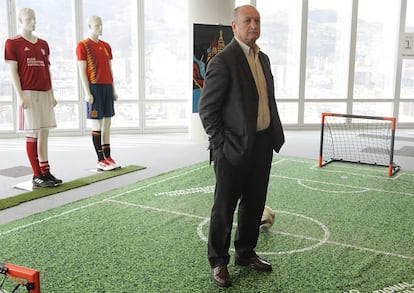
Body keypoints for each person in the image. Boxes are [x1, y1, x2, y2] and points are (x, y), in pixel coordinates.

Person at [198, 5, 285, 287]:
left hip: (261, 144)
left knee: (254, 202)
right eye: (247, 21)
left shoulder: (264, 59)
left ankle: (245, 253)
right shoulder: (223, 62)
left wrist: (271, 134)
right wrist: (221, 145)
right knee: (224, 208)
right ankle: (218, 262)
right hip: (231, 149)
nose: (253, 25)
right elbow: (208, 110)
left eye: (257, 20)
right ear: (234, 26)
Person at [5, 7, 62, 189]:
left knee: (44, 132)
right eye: (29, 19)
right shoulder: (12, 43)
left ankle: (46, 171)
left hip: (44, 92)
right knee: (32, 134)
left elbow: (47, 70)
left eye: (34, 19)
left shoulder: (43, 44)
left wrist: (52, 94)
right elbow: (13, 72)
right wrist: (20, 95)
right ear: (21, 21)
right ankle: (36, 174)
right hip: (28, 93)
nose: (33, 22)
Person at [76, 15, 119, 171]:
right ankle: (99, 159)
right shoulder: (83, 45)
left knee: (108, 123)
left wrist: (113, 89)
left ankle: (108, 156)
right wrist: (87, 92)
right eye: (96, 25)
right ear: (90, 26)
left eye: (101, 25)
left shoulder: (106, 46)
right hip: (94, 87)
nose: (100, 28)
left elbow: (109, 69)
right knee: (97, 123)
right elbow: (82, 71)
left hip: (107, 87)